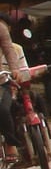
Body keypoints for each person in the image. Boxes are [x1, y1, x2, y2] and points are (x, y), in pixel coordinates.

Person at [0, 15, 47, 161]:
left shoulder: (1, 28)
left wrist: (14, 69)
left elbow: (8, 50)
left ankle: (10, 144)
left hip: (1, 81)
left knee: (4, 109)